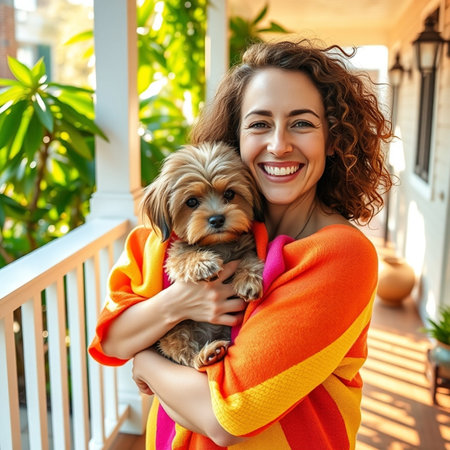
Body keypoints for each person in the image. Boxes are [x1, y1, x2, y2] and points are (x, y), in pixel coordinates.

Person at [89, 39, 393, 449]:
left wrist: (145, 362)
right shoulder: (195, 233)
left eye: (302, 123)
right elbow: (111, 339)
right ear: (236, 137)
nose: (279, 144)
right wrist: (179, 303)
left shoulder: (340, 255)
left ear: (333, 138)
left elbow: (228, 417)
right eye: (259, 123)